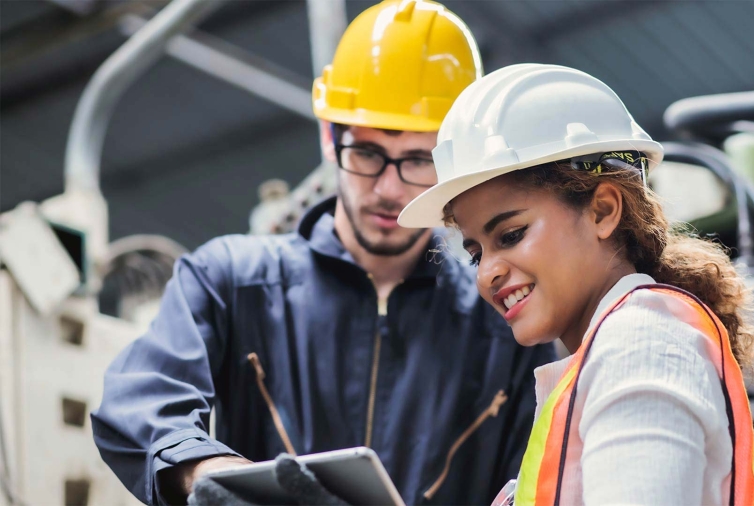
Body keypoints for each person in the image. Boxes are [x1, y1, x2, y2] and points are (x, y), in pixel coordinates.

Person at [91, 3, 555, 505]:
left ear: (456, 161)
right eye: (367, 153)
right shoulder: (230, 280)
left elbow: (536, 480)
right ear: (329, 138)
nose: (388, 189)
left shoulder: (500, 322)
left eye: (419, 160)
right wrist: (209, 474)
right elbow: (140, 402)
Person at [398, 63, 754, 505]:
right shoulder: (609, 355)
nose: (486, 272)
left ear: (603, 211)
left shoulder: (640, 346)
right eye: (475, 253)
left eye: (511, 236)